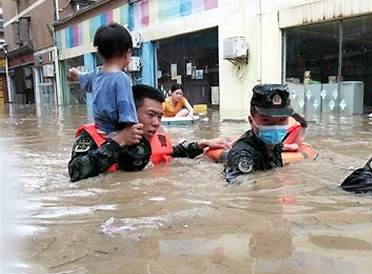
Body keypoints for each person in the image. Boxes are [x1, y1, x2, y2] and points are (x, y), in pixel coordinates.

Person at [68, 84, 228, 182]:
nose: (156, 123)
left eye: (159, 117)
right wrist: (118, 141)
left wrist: (200, 145)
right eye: (150, 115)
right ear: (129, 112)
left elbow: (170, 153)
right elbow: (75, 172)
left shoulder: (155, 134)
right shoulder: (94, 135)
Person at [68, 23, 137, 136]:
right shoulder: (121, 79)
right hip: (116, 134)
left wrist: (76, 73)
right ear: (127, 53)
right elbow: (127, 114)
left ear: (100, 52)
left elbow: (85, 79)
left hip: (99, 131)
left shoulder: (96, 73)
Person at [223, 84, 294, 183]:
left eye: (282, 120)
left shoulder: (275, 144)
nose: (275, 126)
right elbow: (239, 189)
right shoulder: (242, 154)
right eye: (266, 120)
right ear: (251, 121)